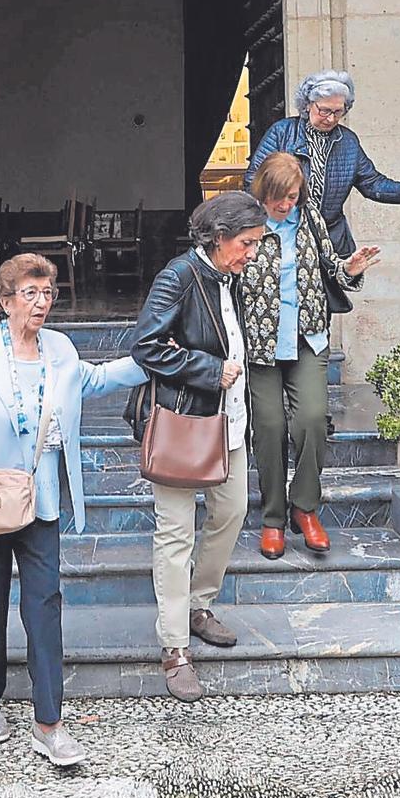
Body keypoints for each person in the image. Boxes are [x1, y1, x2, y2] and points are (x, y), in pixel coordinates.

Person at [0, 252, 144, 762]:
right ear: (6, 300)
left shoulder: (59, 349)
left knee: (44, 604)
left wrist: (150, 360)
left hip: (40, 500)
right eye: (31, 294)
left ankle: (49, 721)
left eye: (48, 293)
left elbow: (95, 380)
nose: (42, 303)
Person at [130, 191, 266, 703]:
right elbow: (145, 344)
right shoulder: (180, 276)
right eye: (246, 243)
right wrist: (212, 370)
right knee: (175, 534)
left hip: (227, 424)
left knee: (229, 514)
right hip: (184, 425)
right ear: (217, 237)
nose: (251, 253)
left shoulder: (229, 277)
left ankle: (198, 604)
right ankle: (174, 647)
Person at [240, 153, 379, 560]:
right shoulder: (244, 224)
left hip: (307, 339)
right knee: (267, 427)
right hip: (261, 346)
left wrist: (349, 267)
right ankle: (272, 518)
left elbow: (332, 269)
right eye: (278, 199)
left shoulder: (311, 219)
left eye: (292, 198)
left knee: (313, 420)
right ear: (263, 192)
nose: (285, 206)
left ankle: (304, 507)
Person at [246, 70, 400, 257]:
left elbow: (371, 182)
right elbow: (254, 179)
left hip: (331, 240)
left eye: (338, 112)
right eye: (324, 110)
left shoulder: (348, 141)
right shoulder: (282, 132)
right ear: (307, 105)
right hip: (283, 234)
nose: (331, 119)